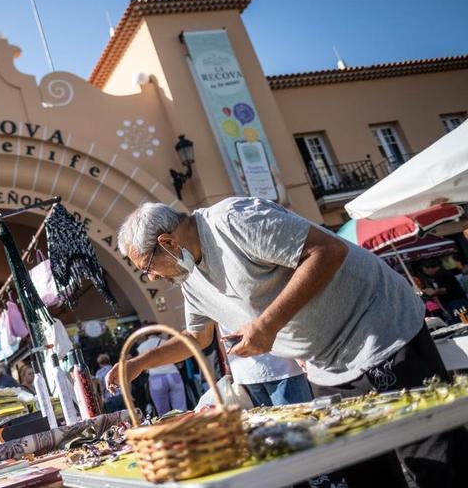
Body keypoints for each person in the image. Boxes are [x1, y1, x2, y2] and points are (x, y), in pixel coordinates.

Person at [109, 199, 467, 487]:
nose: (151, 277)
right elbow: (197, 337)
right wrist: (139, 363)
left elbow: (327, 250)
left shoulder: (233, 220)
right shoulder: (189, 279)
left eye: (147, 267)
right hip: (327, 364)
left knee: (433, 457)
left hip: (380, 330)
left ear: (168, 243)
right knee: (363, 468)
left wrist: (268, 325)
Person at [136, 334, 186, 414]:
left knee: (163, 413)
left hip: (156, 377)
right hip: (173, 374)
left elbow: (142, 367)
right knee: (181, 408)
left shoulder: (142, 347)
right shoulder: (166, 342)